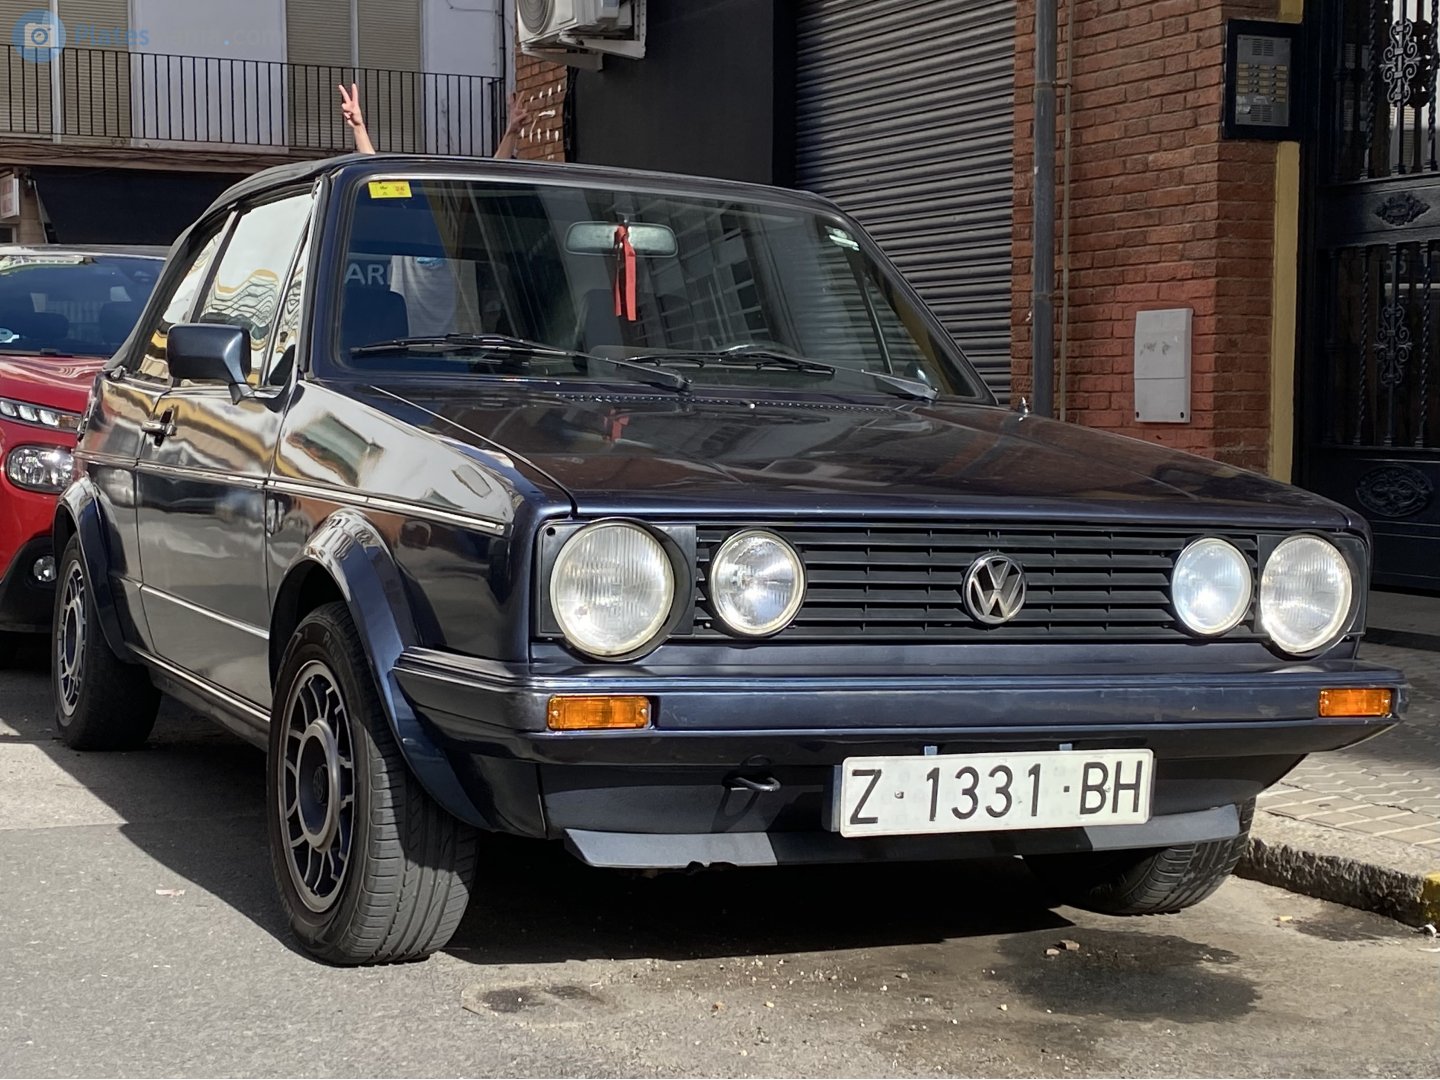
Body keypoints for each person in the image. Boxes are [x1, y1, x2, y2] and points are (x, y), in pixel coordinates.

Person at [336, 83, 538, 337]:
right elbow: (377, 180)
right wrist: (358, 128)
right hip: (404, 348)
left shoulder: (459, 243)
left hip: (459, 348)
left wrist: (512, 133)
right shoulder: (403, 234)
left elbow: (487, 184)